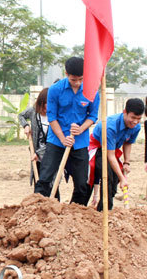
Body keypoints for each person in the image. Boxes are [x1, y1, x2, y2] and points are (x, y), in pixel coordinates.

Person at [34, 57, 100, 204]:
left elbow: (93, 116)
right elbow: (52, 117)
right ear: (66, 74)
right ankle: (36, 211)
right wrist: (63, 138)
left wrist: (81, 129)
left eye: (81, 79)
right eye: (73, 80)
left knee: (82, 184)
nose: (77, 83)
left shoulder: (92, 91)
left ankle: (74, 213)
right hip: (56, 140)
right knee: (45, 177)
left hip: (80, 141)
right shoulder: (55, 90)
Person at [86, 98, 144, 210]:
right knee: (107, 176)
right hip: (98, 148)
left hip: (112, 150)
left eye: (139, 118)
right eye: (133, 117)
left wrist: (127, 162)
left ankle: (107, 206)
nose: (135, 121)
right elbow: (110, 155)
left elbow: (128, 143)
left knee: (114, 180)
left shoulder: (136, 127)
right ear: (124, 112)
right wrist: (123, 178)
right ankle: (104, 210)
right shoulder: (110, 126)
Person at [19, 88, 52, 192]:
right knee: (38, 183)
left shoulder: (55, 115)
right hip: (35, 154)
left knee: (51, 184)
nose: (48, 108)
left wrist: (39, 153)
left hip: (51, 153)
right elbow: (21, 115)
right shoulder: (33, 111)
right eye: (46, 104)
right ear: (41, 103)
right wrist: (26, 125)